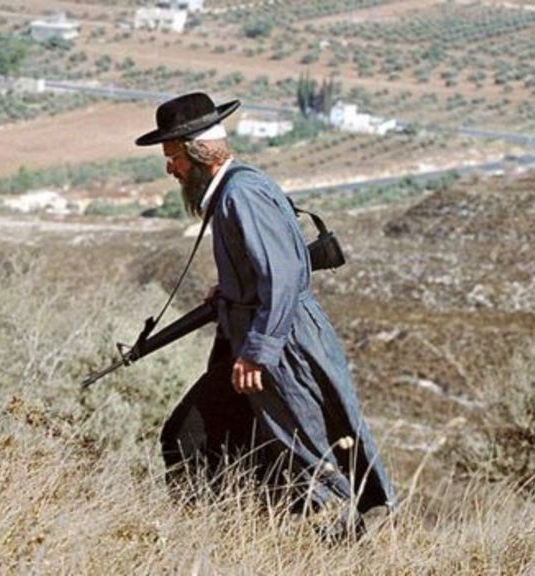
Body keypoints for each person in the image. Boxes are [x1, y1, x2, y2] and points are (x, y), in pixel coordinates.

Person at [135, 92, 397, 540]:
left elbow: (283, 275)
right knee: (192, 436)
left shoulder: (242, 196)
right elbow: (269, 269)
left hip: (280, 347)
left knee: (307, 457)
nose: (170, 169)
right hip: (263, 338)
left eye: (172, 157)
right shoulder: (237, 190)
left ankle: (346, 550)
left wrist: (258, 351)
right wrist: (233, 289)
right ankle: (215, 539)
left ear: (197, 154)